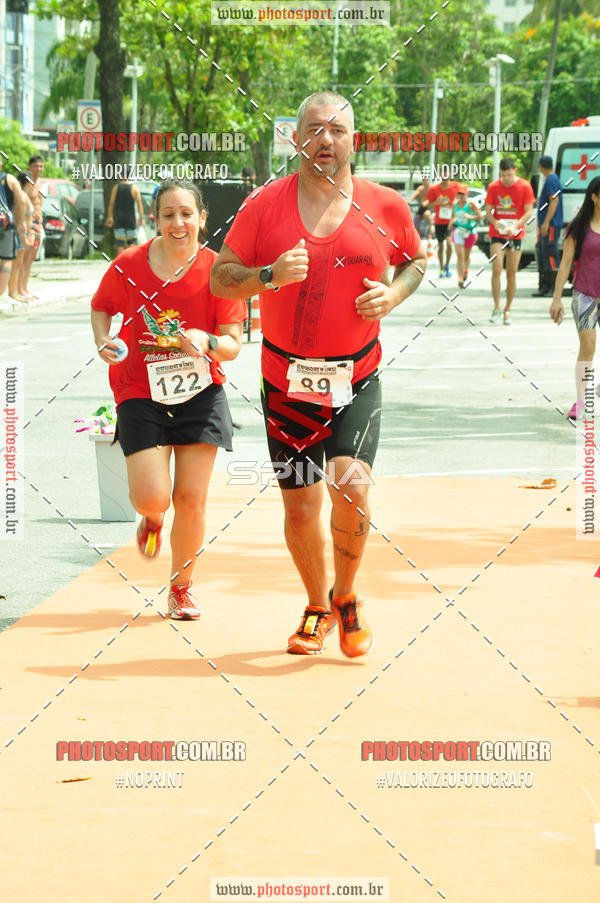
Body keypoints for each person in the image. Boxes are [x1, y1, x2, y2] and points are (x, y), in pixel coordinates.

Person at [210, 91, 425, 658]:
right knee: (301, 505)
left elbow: (415, 261)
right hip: (286, 382)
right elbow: (221, 280)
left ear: (354, 140)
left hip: (357, 375)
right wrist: (268, 274)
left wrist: (394, 294)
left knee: (351, 486)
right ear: (295, 137)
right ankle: (314, 604)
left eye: (336, 130)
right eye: (312, 128)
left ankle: (347, 596)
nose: (324, 139)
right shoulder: (263, 205)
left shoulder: (385, 205)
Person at [91, 179, 247, 618]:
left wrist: (207, 340)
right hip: (139, 388)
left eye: (186, 214)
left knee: (192, 499)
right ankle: (154, 519)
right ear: (155, 219)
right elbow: (101, 306)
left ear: (202, 218)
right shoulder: (128, 264)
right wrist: (104, 340)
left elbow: (233, 345)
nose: (178, 223)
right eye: (168, 215)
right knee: (153, 498)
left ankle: (181, 588)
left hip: (201, 392)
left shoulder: (220, 272)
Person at [550, 175, 600, 420]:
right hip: (585, 294)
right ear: (594, 197)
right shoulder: (578, 226)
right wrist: (556, 298)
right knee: (588, 347)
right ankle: (581, 402)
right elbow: (566, 264)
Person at [485, 157, 535, 325]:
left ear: (514, 171)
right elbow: (488, 212)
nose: (505, 179)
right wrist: (495, 222)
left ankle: (507, 309)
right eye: (503, 175)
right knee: (497, 269)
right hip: (498, 234)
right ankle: (496, 307)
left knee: (511, 272)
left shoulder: (525, 186)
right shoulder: (494, 187)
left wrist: (516, 226)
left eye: (508, 175)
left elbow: (528, 212)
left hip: (515, 234)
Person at [533, 155, 563, 298]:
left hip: (550, 225)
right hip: (547, 225)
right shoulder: (551, 179)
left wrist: (546, 222)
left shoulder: (551, 180)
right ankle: (545, 287)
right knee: (545, 254)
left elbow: (554, 201)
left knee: (551, 255)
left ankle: (552, 287)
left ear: (542, 166)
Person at [0, 159, 27, 307]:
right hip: (5, 225)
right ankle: (1, 294)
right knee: (6, 259)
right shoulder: (8, 179)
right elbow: (21, 201)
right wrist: (21, 222)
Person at [8, 171, 35, 303]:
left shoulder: (23, 195)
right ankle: (14, 292)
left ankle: (18, 291)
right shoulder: (23, 197)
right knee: (17, 264)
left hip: (23, 233)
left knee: (19, 263)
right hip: (20, 233)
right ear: (28, 182)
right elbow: (21, 217)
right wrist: (24, 236)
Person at [20, 155, 45, 300]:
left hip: (38, 223)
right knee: (24, 257)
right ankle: (20, 288)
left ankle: (25, 287)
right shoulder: (25, 183)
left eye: (41, 166)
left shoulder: (42, 183)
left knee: (31, 258)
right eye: (36, 166)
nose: (39, 169)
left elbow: (40, 203)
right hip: (28, 223)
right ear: (30, 167)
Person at [426, 175, 458, 278]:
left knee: (449, 244)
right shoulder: (434, 189)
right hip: (439, 221)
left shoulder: (455, 186)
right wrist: (437, 202)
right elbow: (429, 205)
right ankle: (441, 268)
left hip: (449, 221)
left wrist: (456, 203)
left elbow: (463, 196)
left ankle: (447, 265)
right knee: (440, 245)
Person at [450, 185, 482, 289]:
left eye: (463, 194)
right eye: (459, 194)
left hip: (470, 232)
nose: (461, 196)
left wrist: (471, 217)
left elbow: (480, 216)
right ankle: (460, 278)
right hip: (458, 231)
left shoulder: (471, 204)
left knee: (466, 257)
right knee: (460, 255)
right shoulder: (455, 205)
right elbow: (452, 216)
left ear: (466, 194)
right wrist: (452, 221)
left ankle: (465, 270)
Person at [106, 178, 145, 253]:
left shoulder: (116, 188)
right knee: (132, 242)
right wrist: (142, 218)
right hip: (130, 219)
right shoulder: (134, 188)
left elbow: (111, 204)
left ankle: (120, 263)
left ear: (121, 175)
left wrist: (109, 217)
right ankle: (130, 262)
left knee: (120, 243)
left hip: (119, 219)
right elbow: (140, 205)